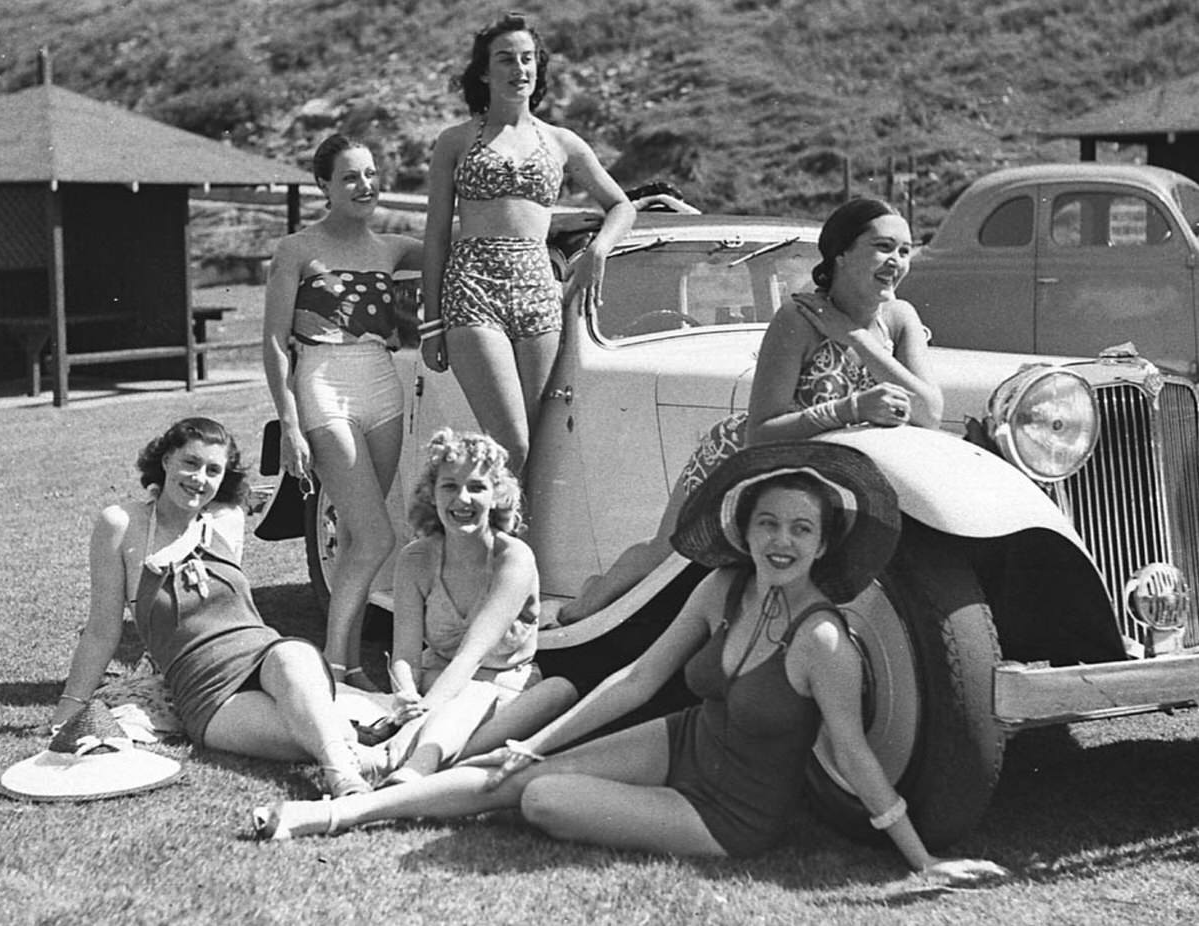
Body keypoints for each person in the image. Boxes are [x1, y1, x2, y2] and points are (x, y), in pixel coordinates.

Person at [251, 442, 1008, 885]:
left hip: (730, 813)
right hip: (682, 740)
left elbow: (852, 754)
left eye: (800, 529)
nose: (782, 540)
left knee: (542, 801)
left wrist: (921, 860)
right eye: (768, 523)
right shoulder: (723, 586)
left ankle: (411, 794)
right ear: (744, 530)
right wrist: (539, 740)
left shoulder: (823, 642)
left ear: (822, 542)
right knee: (518, 770)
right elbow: (638, 679)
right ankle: (333, 813)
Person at [556, 197, 941, 623]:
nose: (897, 262)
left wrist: (858, 340)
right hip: (743, 456)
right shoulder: (797, 318)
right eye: (883, 247)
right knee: (666, 550)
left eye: (905, 251)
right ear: (842, 254)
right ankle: (584, 606)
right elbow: (761, 432)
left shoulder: (899, 318)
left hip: (831, 470)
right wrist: (853, 407)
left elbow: (928, 411)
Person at [52, 417, 372, 797]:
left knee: (292, 661)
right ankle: (378, 759)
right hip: (206, 690)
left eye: (213, 470)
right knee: (322, 732)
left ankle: (343, 778)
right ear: (166, 460)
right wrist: (68, 711)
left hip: (266, 655)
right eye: (190, 462)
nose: (199, 478)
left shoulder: (226, 520)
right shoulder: (121, 523)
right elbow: (102, 631)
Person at [420, 11, 636, 475]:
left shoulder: (562, 142)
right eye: (506, 59)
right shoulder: (454, 141)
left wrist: (598, 249)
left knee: (536, 450)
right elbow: (436, 234)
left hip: (539, 291)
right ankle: (491, 544)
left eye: (527, 59)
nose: (519, 69)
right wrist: (431, 323)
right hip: (472, 289)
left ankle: (511, 545)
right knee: (510, 445)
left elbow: (622, 206)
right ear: (484, 71)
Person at [263, 133, 423, 690]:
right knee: (378, 538)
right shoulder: (297, 250)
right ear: (324, 186)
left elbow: (467, 242)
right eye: (351, 176)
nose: (365, 186)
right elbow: (276, 343)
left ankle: (349, 666)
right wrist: (288, 422)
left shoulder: (394, 248)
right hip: (323, 384)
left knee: (359, 539)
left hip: (382, 383)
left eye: (372, 174)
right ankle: (335, 664)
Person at [375, 428, 577, 785]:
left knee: (505, 693)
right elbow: (404, 653)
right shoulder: (415, 559)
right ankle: (419, 761)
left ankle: (412, 760)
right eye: (450, 486)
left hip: (501, 692)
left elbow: (471, 657)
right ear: (432, 494)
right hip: (434, 685)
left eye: (477, 487)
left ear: (497, 495)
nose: (462, 499)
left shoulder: (513, 559)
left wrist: (415, 721)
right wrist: (405, 695)